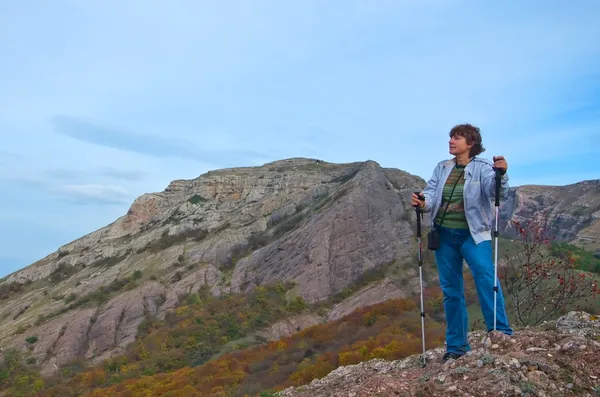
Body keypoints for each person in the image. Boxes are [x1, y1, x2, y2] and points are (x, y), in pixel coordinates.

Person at [411, 123, 513, 361]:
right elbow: (433, 193)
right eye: (450, 138)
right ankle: (456, 347)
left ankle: (500, 333)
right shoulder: (442, 168)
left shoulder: (484, 167)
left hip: (473, 233)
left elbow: (493, 190)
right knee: (451, 290)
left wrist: (502, 174)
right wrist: (423, 202)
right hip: (444, 234)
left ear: (471, 143)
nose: (451, 142)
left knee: (486, 277)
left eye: (456, 138)